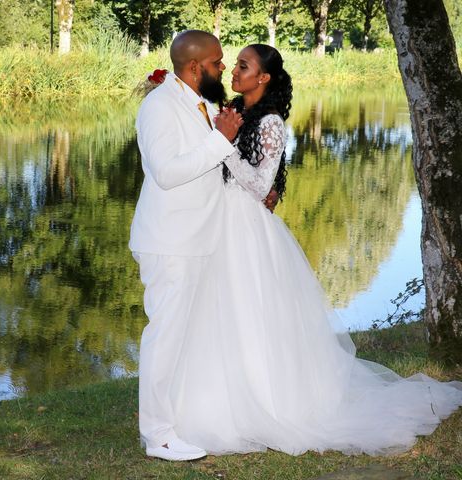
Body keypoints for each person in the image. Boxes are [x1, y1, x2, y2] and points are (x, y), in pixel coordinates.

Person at [168, 43, 462, 456]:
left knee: (247, 311)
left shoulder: (270, 123)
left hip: (245, 229)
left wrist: (224, 144)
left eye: (243, 66)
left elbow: (259, 187)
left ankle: (263, 405)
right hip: (216, 222)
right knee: (213, 311)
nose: (235, 70)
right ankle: (204, 404)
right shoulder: (234, 110)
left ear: (264, 78)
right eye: (234, 64)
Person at [128, 30, 245, 461]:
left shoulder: (203, 104)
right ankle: (158, 436)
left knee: (188, 336)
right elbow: (167, 172)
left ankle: (181, 421)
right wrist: (221, 140)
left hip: (198, 238)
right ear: (195, 66)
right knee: (166, 335)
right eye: (217, 62)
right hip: (171, 242)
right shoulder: (159, 106)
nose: (222, 68)